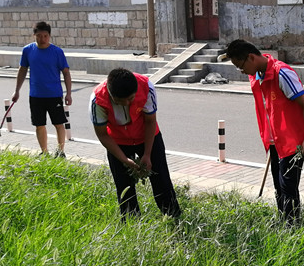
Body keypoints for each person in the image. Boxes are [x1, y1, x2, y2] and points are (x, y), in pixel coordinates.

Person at [224, 39, 304, 224]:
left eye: (240, 66)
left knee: (288, 187)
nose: (242, 72)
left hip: (293, 142)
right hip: (275, 142)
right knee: (278, 186)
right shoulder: (258, 75)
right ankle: (284, 221)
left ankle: (293, 228)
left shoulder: (282, 73)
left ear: (251, 57)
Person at [89, 68, 181, 219]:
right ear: (111, 94)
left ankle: (173, 216)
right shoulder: (97, 99)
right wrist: (124, 159)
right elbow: (102, 134)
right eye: (120, 101)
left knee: (161, 179)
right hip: (117, 142)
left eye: (130, 99)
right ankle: (132, 223)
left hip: (147, 136)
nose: (126, 104)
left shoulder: (146, 87)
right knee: (124, 185)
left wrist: (147, 154)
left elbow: (150, 121)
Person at [12, 21, 72, 157]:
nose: (42, 39)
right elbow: (22, 70)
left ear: (49, 36)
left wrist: (68, 94)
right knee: (39, 125)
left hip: (54, 94)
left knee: (58, 123)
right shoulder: (28, 50)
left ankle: (60, 151)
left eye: (45, 36)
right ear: (34, 35)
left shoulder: (57, 52)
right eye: (39, 35)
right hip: (36, 95)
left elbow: (66, 73)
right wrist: (17, 91)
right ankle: (44, 152)